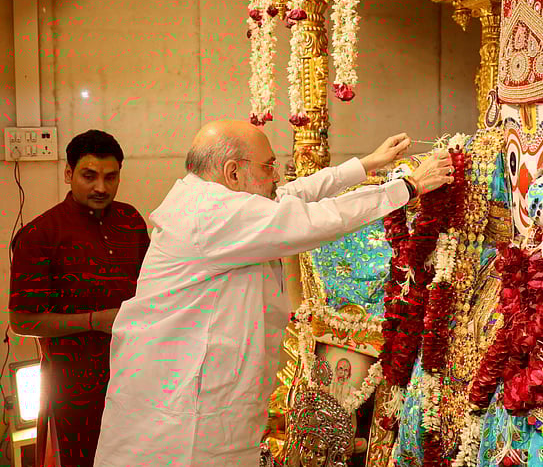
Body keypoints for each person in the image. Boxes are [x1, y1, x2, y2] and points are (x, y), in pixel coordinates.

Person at [93, 119, 453, 466]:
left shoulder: (212, 198)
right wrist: (406, 188)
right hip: (181, 422)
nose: (277, 176)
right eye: (268, 166)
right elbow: (307, 220)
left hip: (204, 408)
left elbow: (291, 196)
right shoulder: (210, 213)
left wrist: (365, 166)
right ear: (233, 172)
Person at [8, 129, 151, 467]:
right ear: (69, 173)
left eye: (110, 177)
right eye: (89, 176)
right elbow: (21, 320)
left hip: (136, 376)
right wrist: (95, 320)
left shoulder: (131, 221)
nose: (101, 187)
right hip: (73, 390)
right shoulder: (39, 235)